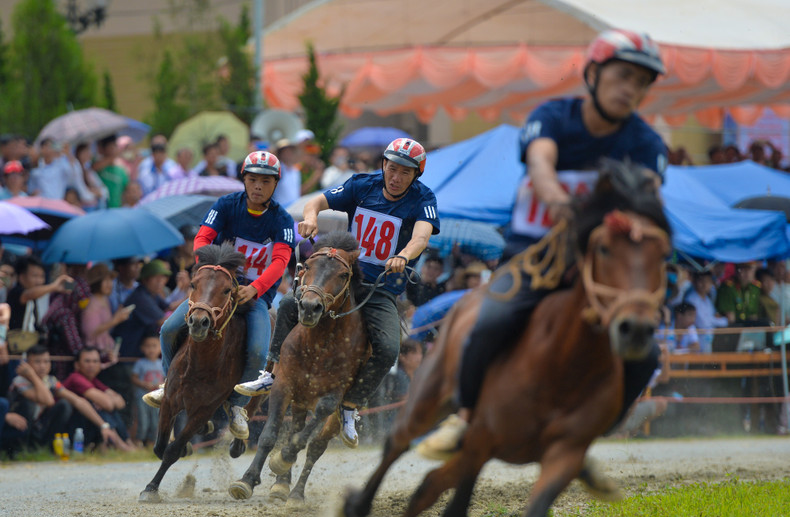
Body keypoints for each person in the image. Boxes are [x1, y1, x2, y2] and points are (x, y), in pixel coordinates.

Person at [420, 29, 669, 458]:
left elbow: (648, 193)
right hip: (533, 253)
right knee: (492, 320)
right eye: (623, 75)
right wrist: (556, 199)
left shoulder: (646, 142)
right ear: (594, 73)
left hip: (596, 265)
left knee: (646, 356)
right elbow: (540, 160)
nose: (632, 89)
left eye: (642, 83)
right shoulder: (553, 116)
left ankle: (590, 432)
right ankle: (464, 416)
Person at [236, 137, 439, 446]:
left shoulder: (424, 199)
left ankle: (350, 405)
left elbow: (422, 236)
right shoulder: (361, 184)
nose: (396, 177)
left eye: (405, 173)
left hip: (380, 289)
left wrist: (403, 256)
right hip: (345, 279)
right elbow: (315, 201)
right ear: (383, 164)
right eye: (392, 168)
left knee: (388, 347)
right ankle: (272, 373)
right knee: (291, 304)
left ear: (416, 175)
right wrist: (311, 218)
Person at [143, 151, 295, 443]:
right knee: (168, 329)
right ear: (244, 180)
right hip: (215, 290)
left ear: (275, 185)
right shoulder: (225, 205)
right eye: (252, 180)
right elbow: (202, 238)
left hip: (253, 297)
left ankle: (238, 408)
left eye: (265, 181)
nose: (258, 187)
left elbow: (280, 261)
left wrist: (255, 289)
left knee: (257, 352)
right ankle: (167, 384)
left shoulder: (283, 219)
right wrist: (208, 267)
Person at [62, 346, 134, 451]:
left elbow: (121, 402)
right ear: (77, 365)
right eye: (87, 361)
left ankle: (127, 443)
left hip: (89, 426)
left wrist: (105, 401)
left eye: (95, 361)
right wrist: (105, 401)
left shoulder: (94, 380)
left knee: (104, 408)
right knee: (99, 408)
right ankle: (121, 446)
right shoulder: (76, 378)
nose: (91, 365)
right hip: (72, 428)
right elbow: (108, 404)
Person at [130, 335, 165, 448]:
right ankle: (139, 441)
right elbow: (134, 378)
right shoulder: (140, 363)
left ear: (160, 348)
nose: (151, 349)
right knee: (142, 419)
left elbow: (165, 379)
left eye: (154, 346)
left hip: (157, 398)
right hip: (142, 397)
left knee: (156, 420)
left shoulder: (162, 363)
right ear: (142, 349)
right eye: (148, 346)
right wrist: (143, 384)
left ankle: (151, 442)